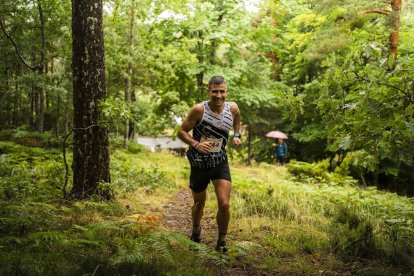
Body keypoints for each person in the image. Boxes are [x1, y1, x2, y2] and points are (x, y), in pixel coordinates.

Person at [177, 76, 241, 253]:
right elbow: (181, 132)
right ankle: (196, 229)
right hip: (199, 162)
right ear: (208, 92)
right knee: (199, 203)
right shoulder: (199, 110)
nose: (219, 95)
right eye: (215, 91)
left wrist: (237, 135)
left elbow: (237, 119)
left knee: (225, 204)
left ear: (226, 92)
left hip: (220, 160)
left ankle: (221, 241)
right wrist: (196, 144)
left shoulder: (233, 108)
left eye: (222, 91)